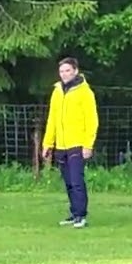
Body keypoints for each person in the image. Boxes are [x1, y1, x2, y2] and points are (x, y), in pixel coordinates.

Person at [41, 57, 100, 228]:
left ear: (75, 71)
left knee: (76, 181)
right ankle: (74, 214)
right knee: (68, 182)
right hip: (61, 145)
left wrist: (88, 144)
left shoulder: (85, 92)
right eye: (61, 71)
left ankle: (81, 215)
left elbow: (92, 120)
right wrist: (47, 143)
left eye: (67, 70)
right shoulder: (57, 92)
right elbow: (52, 119)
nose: (64, 74)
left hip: (77, 144)